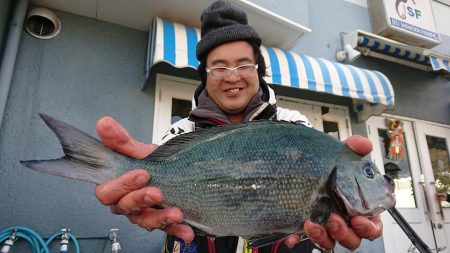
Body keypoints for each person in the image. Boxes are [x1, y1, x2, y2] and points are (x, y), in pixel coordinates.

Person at [94, 1, 383, 252]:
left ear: (258, 70)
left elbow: (318, 223)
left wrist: (330, 231)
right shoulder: (180, 133)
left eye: (244, 65)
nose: (232, 77)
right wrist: (142, 195)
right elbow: (160, 201)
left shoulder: (295, 125)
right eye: (219, 67)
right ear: (205, 75)